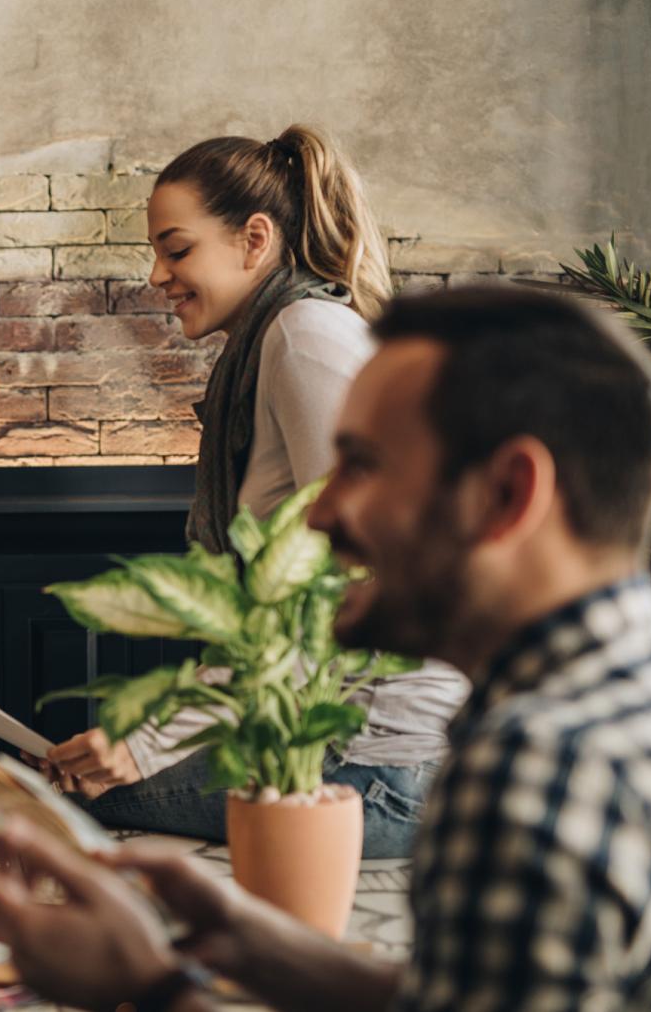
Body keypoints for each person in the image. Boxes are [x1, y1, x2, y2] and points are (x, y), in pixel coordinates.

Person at [0, 286, 651, 1011]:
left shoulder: (531, 767)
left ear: (506, 494)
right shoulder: (619, 688)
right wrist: (262, 945)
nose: (321, 509)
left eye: (361, 465)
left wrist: (150, 983)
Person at [46, 126, 468, 856]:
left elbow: (326, 594)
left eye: (177, 249)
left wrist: (145, 745)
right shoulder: (285, 338)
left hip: (375, 766)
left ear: (255, 239)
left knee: (59, 800)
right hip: (350, 744)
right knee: (63, 782)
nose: (156, 274)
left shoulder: (304, 337)